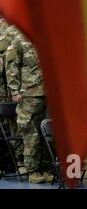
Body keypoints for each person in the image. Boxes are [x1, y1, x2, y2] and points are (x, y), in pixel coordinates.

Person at [5, 29, 53, 183]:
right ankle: (32, 171)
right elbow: (12, 67)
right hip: (29, 93)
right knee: (31, 134)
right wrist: (14, 90)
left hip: (48, 93)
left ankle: (45, 168)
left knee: (46, 133)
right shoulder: (20, 39)